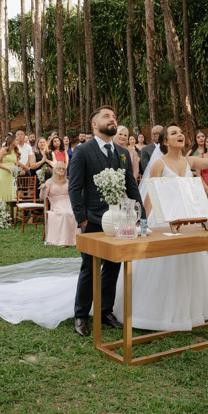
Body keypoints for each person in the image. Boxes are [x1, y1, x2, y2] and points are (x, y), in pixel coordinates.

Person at [113, 123, 208, 331]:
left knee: (188, 264)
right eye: (174, 133)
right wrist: (144, 223)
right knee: (162, 266)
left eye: (182, 132)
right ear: (166, 141)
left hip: (186, 221)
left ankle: (188, 310)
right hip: (163, 221)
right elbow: (150, 195)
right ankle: (154, 311)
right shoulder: (159, 164)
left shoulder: (190, 161)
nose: (181, 135)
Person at [68, 106, 146, 337]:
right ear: (94, 124)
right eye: (106, 116)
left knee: (113, 266)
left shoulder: (121, 152)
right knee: (89, 269)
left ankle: (105, 311)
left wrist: (140, 215)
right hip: (92, 220)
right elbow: (74, 188)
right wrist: (82, 219)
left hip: (120, 220)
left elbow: (131, 185)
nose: (112, 119)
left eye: (113, 117)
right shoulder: (82, 151)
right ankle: (81, 314)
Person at [42, 161, 76, 247]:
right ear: (54, 170)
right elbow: (43, 197)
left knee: (73, 213)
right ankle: (63, 241)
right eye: (59, 168)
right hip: (56, 203)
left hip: (68, 202)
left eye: (63, 169)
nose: (61, 170)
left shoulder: (68, 181)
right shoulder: (49, 182)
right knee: (64, 213)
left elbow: (73, 193)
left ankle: (74, 240)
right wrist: (43, 189)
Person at [0, 135, 20, 204]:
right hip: (2, 172)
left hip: (11, 174)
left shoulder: (16, 151)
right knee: (2, 190)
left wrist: (15, 171)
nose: (18, 142)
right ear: (11, 141)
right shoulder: (4, 149)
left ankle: (10, 211)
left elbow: (16, 164)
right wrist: (7, 169)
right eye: (16, 140)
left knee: (10, 190)